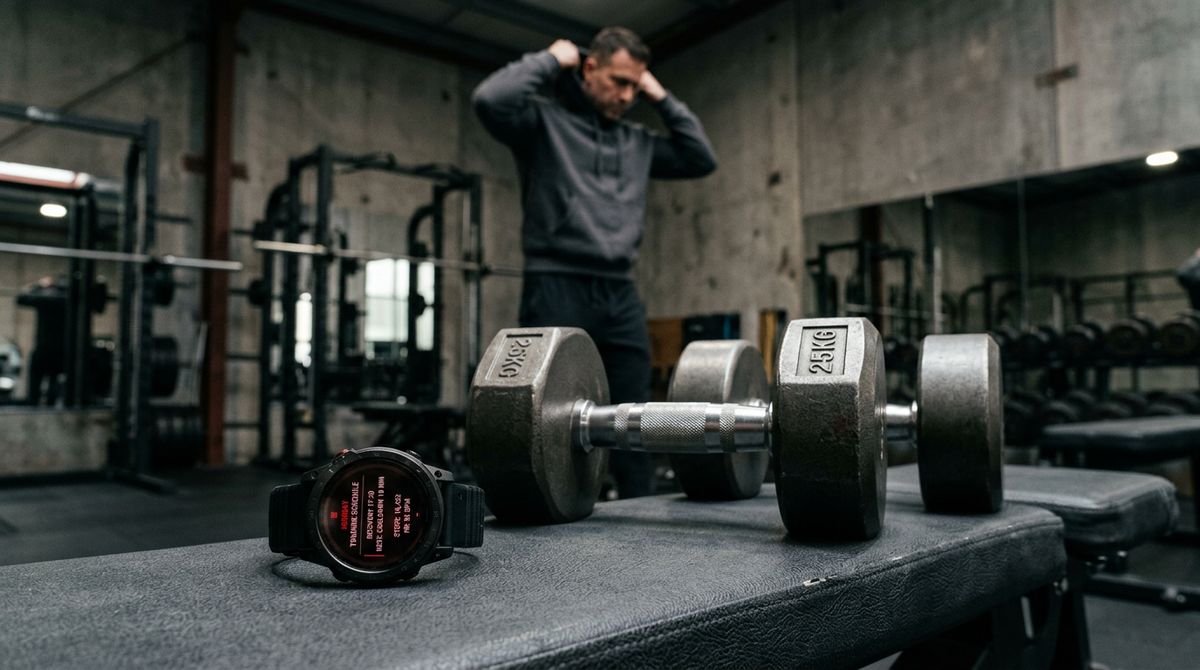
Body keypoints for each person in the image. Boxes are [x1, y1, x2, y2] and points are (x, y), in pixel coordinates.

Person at [472, 27, 717, 498]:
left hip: (619, 290)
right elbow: (489, 99)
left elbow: (700, 158)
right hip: (555, 282)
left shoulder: (637, 142)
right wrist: (549, 58)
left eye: (635, 86)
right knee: (546, 411)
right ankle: (552, 511)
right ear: (589, 68)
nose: (627, 96)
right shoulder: (543, 123)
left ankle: (640, 509)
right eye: (618, 82)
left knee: (635, 410)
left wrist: (660, 95)